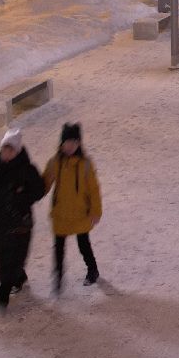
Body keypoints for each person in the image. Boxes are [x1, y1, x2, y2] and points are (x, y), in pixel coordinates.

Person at [0, 128, 48, 309]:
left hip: (20, 226)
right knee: (3, 258)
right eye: (5, 148)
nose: (7, 152)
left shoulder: (27, 170)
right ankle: (18, 276)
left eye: (11, 149)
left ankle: (3, 293)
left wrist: (21, 196)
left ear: (17, 151)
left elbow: (39, 190)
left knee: (13, 259)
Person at [42, 122, 102, 291]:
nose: (70, 146)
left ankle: (92, 270)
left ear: (79, 144)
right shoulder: (55, 163)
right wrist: (31, 193)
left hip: (80, 213)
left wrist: (96, 211)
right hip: (60, 213)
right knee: (58, 248)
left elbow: (94, 189)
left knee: (84, 245)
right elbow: (44, 183)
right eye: (67, 142)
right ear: (62, 143)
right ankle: (58, 276)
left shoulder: (85, 164)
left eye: (74, 143)